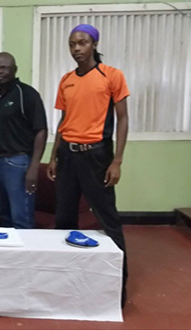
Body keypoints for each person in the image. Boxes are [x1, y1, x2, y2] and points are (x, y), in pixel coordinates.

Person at [46, 24, 130, 307]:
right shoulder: (66, 80)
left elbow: (123, 120)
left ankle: (117, 286)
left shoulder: (112, 76)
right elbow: (63, 121)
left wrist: (117, 160)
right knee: (64, 219)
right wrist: (54, 154)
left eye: (82, 43)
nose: (76, 49)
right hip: (68, 156)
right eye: (72, 44)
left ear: (94, 44)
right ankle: (66, 281)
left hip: (97, 156)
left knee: (107, 219)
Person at [0, 52, 48, 229]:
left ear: (14, 70)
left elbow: (41, 130)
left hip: (19, 163)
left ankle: (27, 256)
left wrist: (34, 167)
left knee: (21, 219)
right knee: (4, 218)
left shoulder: (27, 94)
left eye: (4, 67)